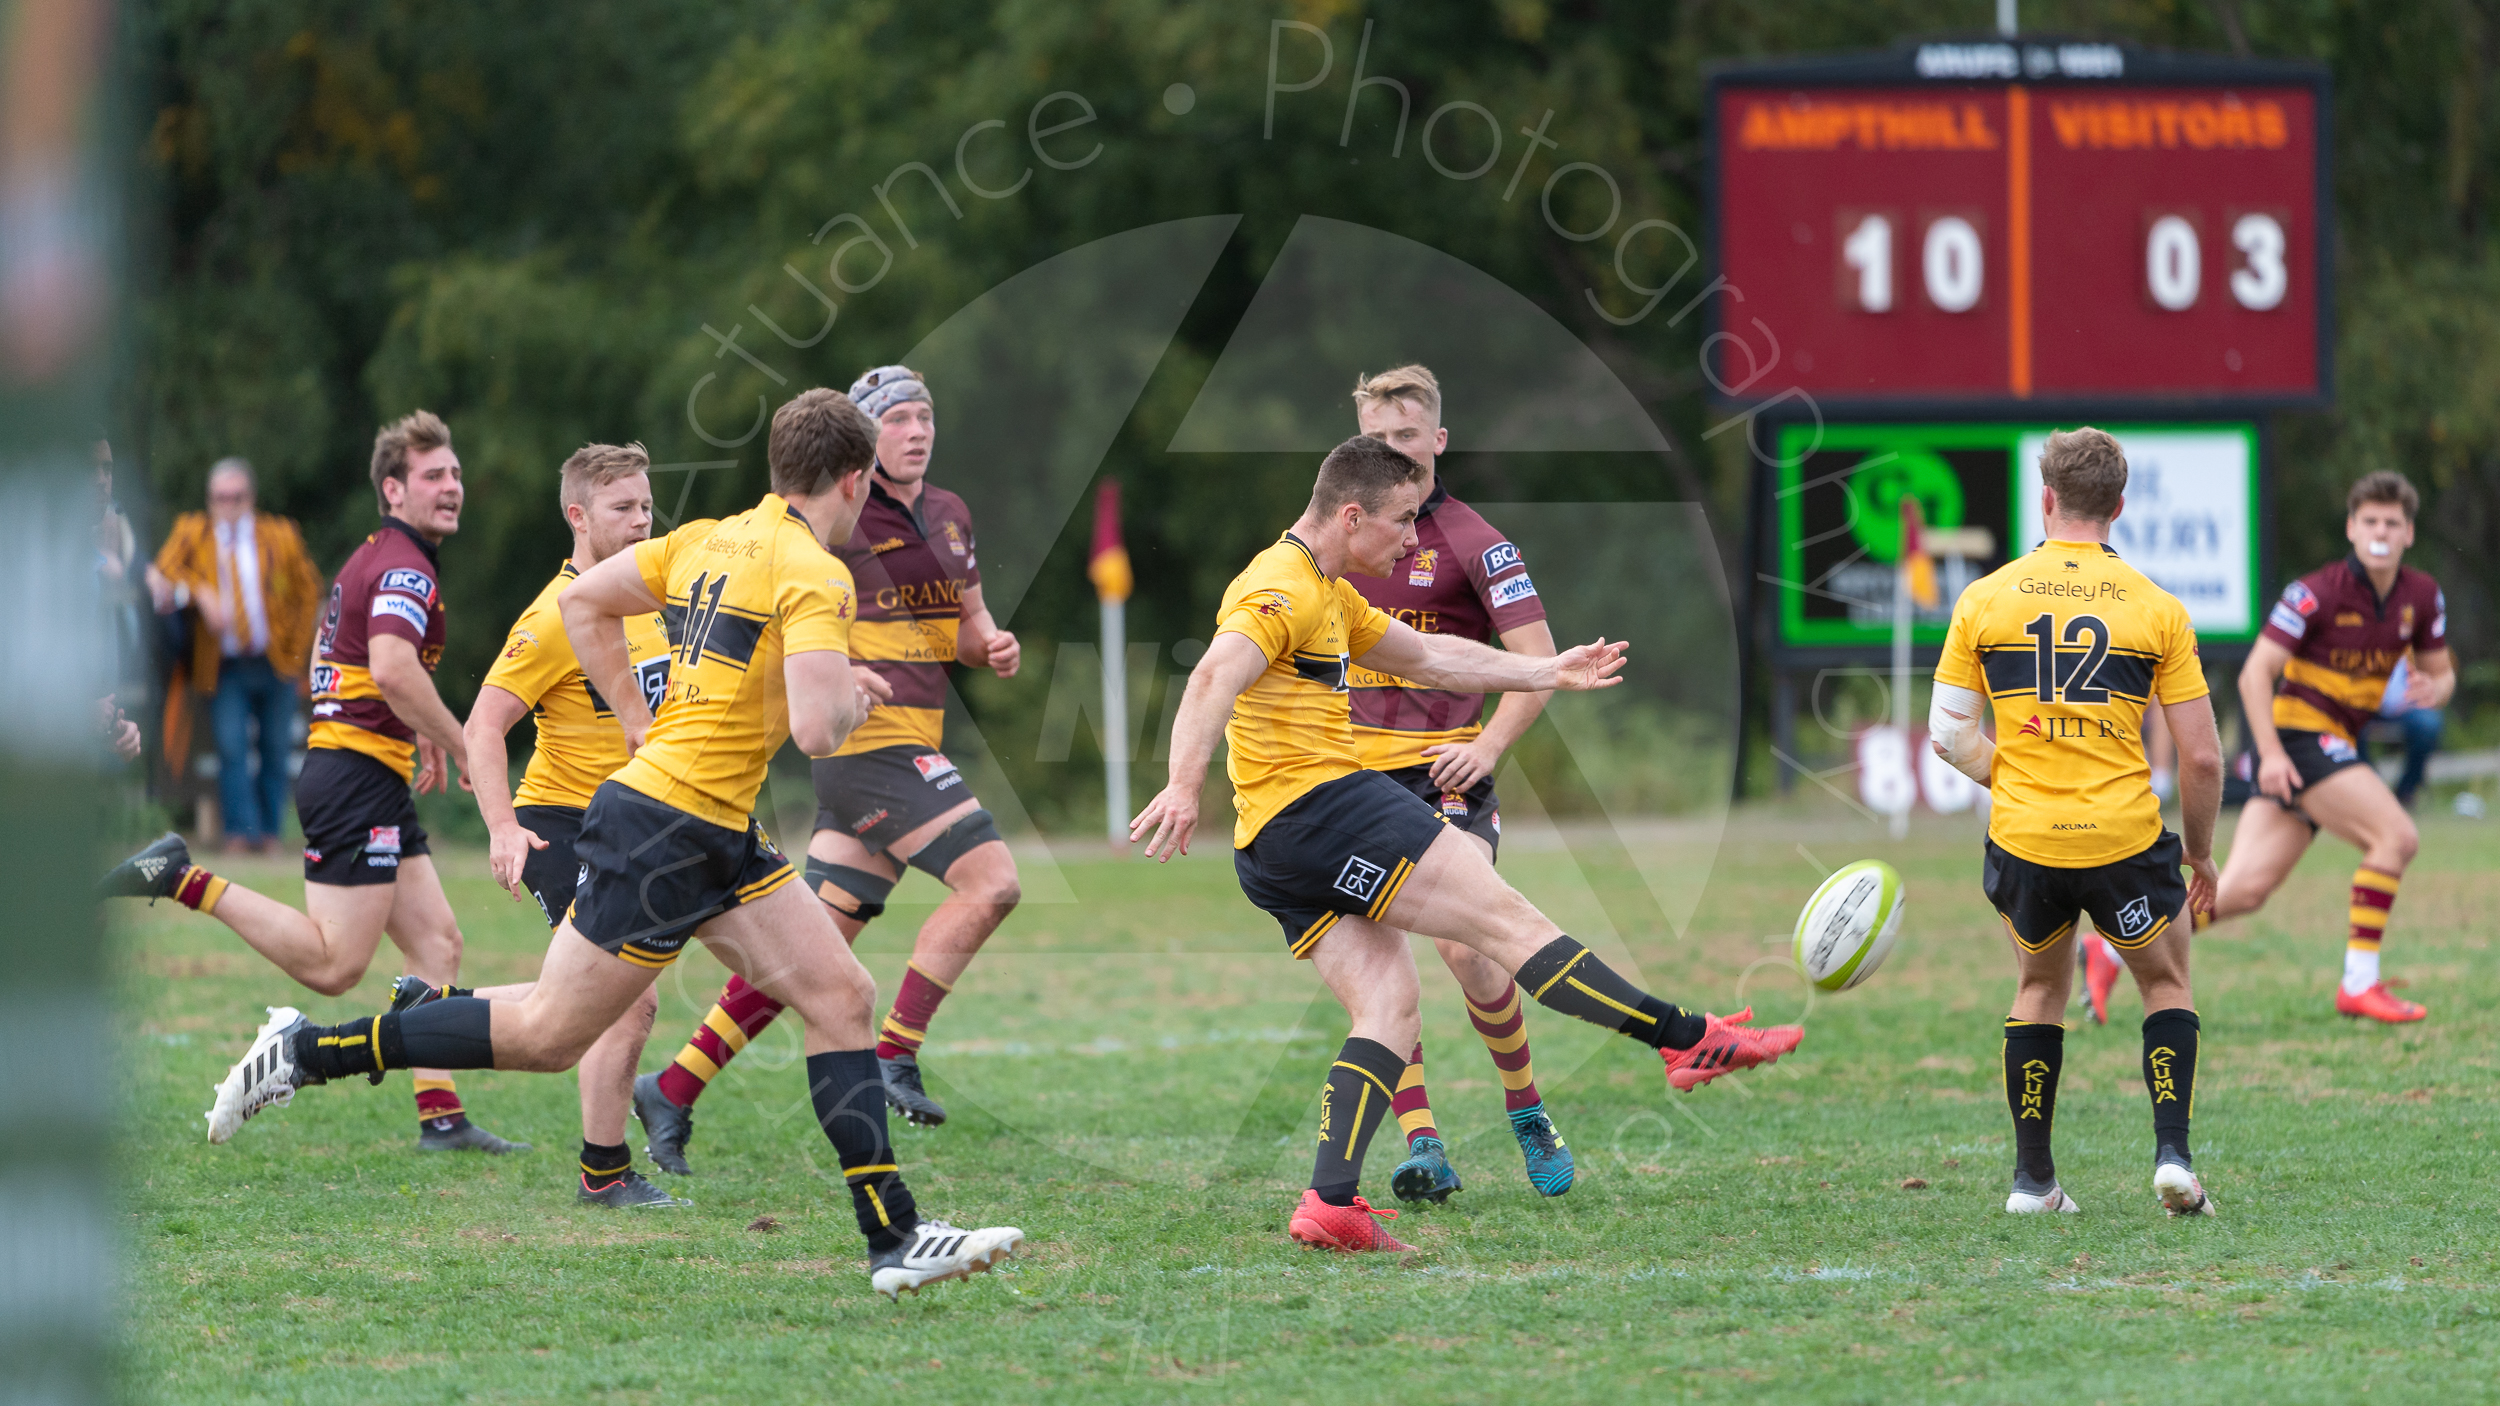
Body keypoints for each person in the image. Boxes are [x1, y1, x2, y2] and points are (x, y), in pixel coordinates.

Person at [199, 389, 1025, 1299]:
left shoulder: (713, 536)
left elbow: (587, 601)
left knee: (840, 994)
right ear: (856, 478)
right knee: (549, 1034)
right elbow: (823, 733)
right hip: (669, 829)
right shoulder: (817, 574)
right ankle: (308, 1052)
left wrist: (642, 717)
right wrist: (846, 694)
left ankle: (894, 1237)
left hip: (714, 827)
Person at [1129, 434, 1800, 1254]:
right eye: (1402, 521)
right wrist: (1182, 781)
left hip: (1270, 848)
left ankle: (1330, 1201)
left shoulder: (1327, 588)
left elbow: (1431, 657)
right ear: (1351, 516)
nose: (1414, 539)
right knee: (1508, 925)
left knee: (1389, 1004)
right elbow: (1211, 676)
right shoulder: (1284, 588)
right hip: (1327, 810)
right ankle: (1685, 1038)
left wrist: (1546, 671)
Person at [102, 412, 523, 1153]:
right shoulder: (404, 566)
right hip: (354, 780)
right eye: (434, 476)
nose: (452, 487)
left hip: (368, 771)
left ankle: (441, 1117)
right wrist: (462, 740)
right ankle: (183, 877)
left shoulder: (382, 556)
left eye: (455, 474)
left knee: (438, 943)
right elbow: (392, 668)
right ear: (393, 488)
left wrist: (417, 729)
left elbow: (370, 668)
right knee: (336, 965)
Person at [637, 365, 1022, 1170]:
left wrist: (989, 646)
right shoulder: (834, 519)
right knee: (993, 883)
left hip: (912, 743)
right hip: (866, 750)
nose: (917, 431)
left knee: (810, 959)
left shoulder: (951, 515)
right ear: (863, 442)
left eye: (926, 417)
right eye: (900, 419)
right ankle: (897, 1052)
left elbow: (966, 627)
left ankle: (672, 1087)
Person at [1928, 426, 2222, 1218]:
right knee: (2165, 981)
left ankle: (2033, 1183)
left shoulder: (1984, 599)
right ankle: (2173, 1160)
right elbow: (2200, 760)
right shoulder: (2157, 609)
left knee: (2037, 988)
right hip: (2125, 840)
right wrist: (2199, 855)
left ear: (2047, 499)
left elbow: (1948, 735)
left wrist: (2020, 780)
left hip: (2025, 839)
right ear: (2119, 506)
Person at [1340, 364, 1572, 1203]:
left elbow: (1538, 667)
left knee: (1470, 952)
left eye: (1408, 437)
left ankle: (1525, 1107)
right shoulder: (1340, 535)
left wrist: (1489, 748)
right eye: (1378, 438)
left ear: (1437, 441)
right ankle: (1423, 1142)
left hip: (1447, 775)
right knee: (1377, 965)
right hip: (1350, 779)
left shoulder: (1479, 542)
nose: (1393, 452)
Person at [455, 443, 685, 1208]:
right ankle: (605, 1172)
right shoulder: (554, 615)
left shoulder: (652, 596)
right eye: (623, 508)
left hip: (643, 822)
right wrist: (500, 828)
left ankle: (434, 1010)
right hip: (562, 825)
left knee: (596, 990)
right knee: (626, 995)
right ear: (577, 516)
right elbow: (482, 727)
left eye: (647, 507)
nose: (640, 521)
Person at [2209, 472, 2454, 1023]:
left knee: (2243, 890)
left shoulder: (2421, 595)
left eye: (2392, 522)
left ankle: (2109, 951)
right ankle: (2359, 983)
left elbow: (2443, 675)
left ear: (2408, 533)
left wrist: (2436, 688)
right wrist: (2269, 754)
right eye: (2370, 520)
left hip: (2329, 745)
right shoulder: (2314, 592)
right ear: (2351, 527)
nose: (2381, 531)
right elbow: (2254, 676)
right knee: (2396, 836)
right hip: (2298, 739)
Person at [146, 456, 323, 852]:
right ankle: (239, 834)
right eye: (219, 497)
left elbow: (306, 592)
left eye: (236, 496)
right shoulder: (194, 533)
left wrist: (296, 653)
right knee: (231, 747)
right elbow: (162, 572)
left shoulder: (280, 535)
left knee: (275, 749)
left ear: (250, 498)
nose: (227, 505)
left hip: (274, 661)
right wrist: (202, 592)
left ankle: (270, 834)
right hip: (223, 664)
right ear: (210, 500)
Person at [2370, 656, 2444, 809]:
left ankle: (2406, 792)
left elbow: (2442, 673)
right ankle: (2371, 790)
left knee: (2428, 724)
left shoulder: (2409, 643)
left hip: (2405, 704)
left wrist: (2426, 690)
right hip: (2361, 705)